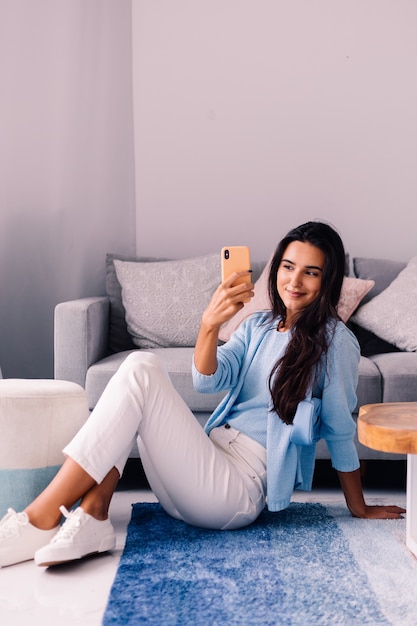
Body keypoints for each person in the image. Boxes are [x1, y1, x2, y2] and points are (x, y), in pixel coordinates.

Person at [0, 220, 405, 568]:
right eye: (287, 266)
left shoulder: (336, 341)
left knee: (141, 369)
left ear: (328, 280)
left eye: (311, 272)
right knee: (132, 385)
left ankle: (39, 519)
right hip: (198, 476)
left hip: (236, 491)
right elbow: (208, 381)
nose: (294, 281)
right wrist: (209, 325)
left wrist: (359, 506)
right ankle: (93, 514)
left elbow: (338, 427)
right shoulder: (258, 325)